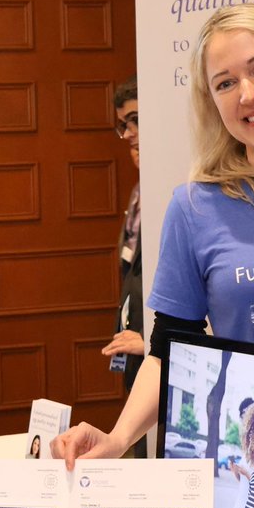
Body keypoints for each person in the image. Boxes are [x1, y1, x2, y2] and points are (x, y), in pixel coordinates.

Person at [54, 3, 254, 468]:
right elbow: (169, 347)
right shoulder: (194, 207)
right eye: (225, 83)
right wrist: (118, 436)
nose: (248, 93)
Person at [101, 76, 145, 392]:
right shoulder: (138, 192)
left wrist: (153, 343)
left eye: (136, 121)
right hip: (134, 346)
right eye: (122, 125)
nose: (128, 134)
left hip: (161, 348)